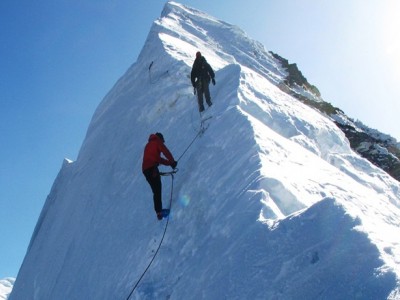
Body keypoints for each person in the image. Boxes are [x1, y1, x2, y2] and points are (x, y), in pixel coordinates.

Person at [142, 132, 177, 220]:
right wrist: (172, 162)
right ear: (160, 138)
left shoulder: (148, 145)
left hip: (145, 170)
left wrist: (169, 163)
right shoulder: (157, 141)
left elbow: (159, 159)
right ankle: (160, 212)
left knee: (156, 190)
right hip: (152, 168)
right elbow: (166, 151)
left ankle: (159, 212)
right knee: (157, 189)